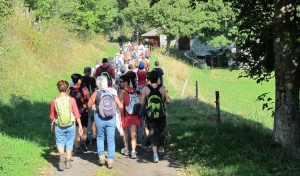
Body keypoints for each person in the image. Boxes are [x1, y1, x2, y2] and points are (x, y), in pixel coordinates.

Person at [87, 76, 123, 169]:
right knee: (111, 139)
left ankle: (101, 157)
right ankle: (110, 160)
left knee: (100, 137)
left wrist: (96, 105)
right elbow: (120, 105)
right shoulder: (112, 92)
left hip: (100, 117)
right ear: (107, 83)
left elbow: (89, 104)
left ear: (97, 84)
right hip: (111, 118)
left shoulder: (96, 93)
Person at [49, 80, 83, 170]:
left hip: (59, 125)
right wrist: (80, 125)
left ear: (58, 89)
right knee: (69, 142)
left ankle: (61, 155)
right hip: (71, 124)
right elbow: (76, 113)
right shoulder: (71, 100)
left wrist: (52, 124)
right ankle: (68, 161)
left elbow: (52, 115)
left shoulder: (54, 101)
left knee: (59, 142)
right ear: (67, 88)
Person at [140, 70, 171, 163]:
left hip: (150, 114)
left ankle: (155, 155)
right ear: (158, 78)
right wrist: (163, 101)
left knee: (152, 132)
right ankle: (161, 148)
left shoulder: (145, 88)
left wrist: (146, 101)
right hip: (161, 113)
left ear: (149, 79)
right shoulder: (163, 88)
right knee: (161, 131)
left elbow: (141, 102)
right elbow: (168, 101)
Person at [118, 75, 142, 159]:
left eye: (121, 81)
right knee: (134, 134)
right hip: (134, 114)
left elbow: (121, 105)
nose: (119, 83)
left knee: (125, 133)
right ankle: (133, 151)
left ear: (126, 82)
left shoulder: (122, 91)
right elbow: (140, 101)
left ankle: (126, 149)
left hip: (125, 115)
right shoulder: (134, 90)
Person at [69, 73, 90, 153]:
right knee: (84, 127)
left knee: (77, 128)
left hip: (74, 112)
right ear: (78, 80)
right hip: (83, 111)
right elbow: (88, 98)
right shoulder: (84, 89)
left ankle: (77, 147)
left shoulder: (70, 90)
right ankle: (83, 141)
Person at [81, 67, 97, 144]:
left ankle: (85, 137)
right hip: (91, 101)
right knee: (93, 119)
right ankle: (94, 136)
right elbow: (95, 89)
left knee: (84, 121)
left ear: (84, 72)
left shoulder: (81, 79)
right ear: (90, 72)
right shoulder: (92, 79)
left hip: (83, 102)